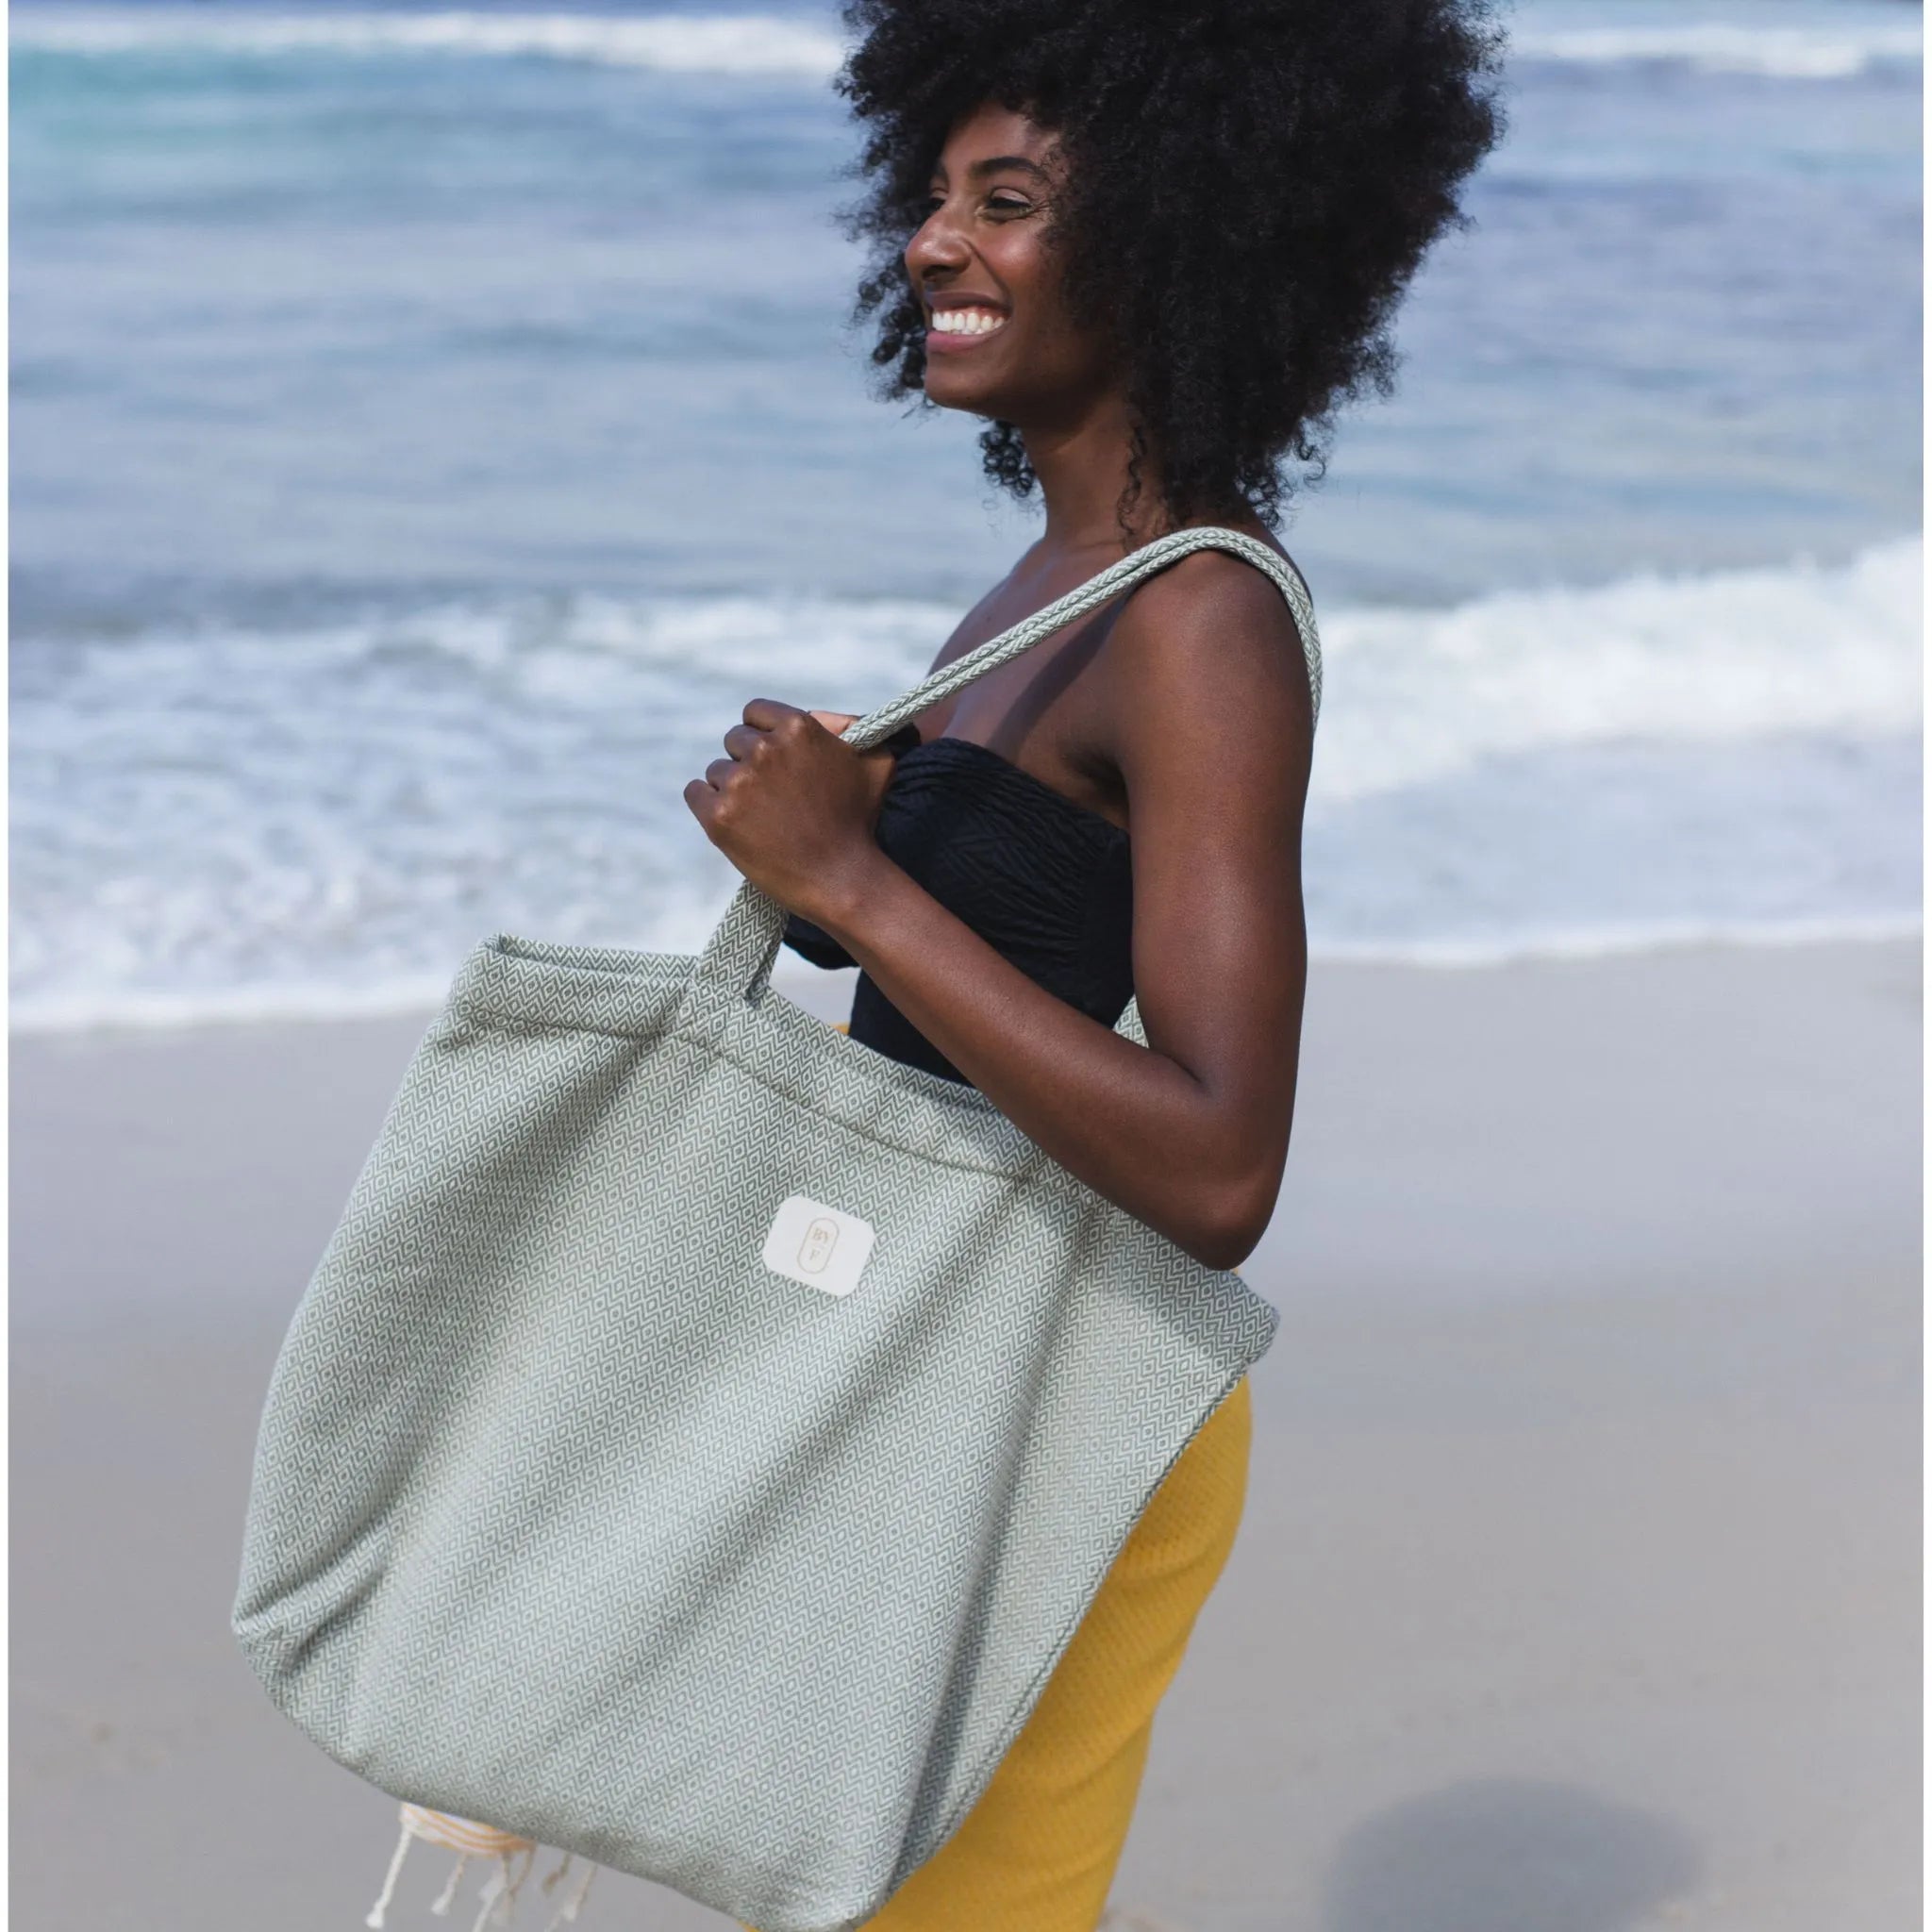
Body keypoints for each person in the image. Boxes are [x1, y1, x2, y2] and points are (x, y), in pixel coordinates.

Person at [683, 3, 1504, 1924]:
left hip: (1055, 1408)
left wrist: (867, 895)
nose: (932, 243)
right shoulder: (1062, 584)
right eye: (936, 195)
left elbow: (1222, 1167)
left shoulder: (1200, 613)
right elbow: (1033, 960)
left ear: (1177, 239)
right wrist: (852, 868)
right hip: (948, 1367)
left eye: (1010, 202)